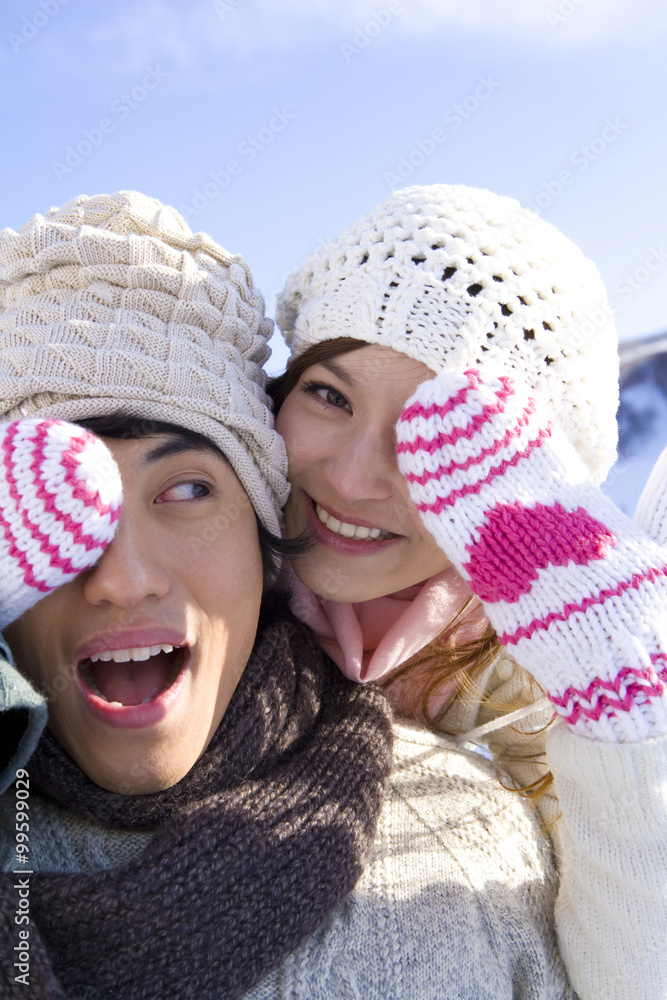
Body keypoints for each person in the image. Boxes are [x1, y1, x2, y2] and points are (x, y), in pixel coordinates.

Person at [270, 183, 667, 1000]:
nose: (351, 477)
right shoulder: (171, 590)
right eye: (329, 395)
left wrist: (632, 730)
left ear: (511, 478)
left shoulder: (534, 712)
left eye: (427, 431)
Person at [0, 191, 395, 999]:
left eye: (184, 490)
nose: (123, 579)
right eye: (55, 507)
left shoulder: (476, 844)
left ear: (265, 543)